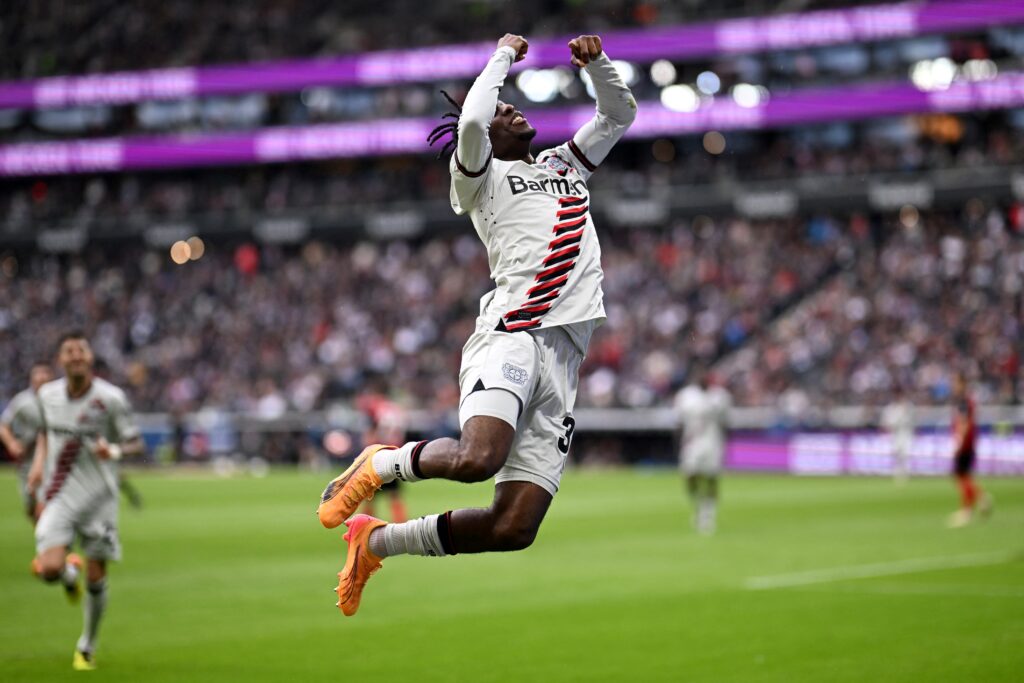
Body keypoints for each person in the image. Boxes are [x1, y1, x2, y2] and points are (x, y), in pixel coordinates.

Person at [316, 33, 636, 616]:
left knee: (514, 527)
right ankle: (380, 463)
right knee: (476, 460)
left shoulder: (565, 165)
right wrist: (501, 58)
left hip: (565, 358)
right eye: (502, 109)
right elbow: (470, 125)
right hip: (514, 334)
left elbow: (620, 112)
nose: (513, 108)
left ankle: (376, 542)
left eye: (512, 104)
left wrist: (598, 66)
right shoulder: (477, 180)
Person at [27, 331, 144, 670]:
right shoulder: (47, 396)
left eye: (81, 350)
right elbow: (44, 432)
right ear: (60, 359)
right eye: (69, 351)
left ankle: (87, 645)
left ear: (90, 357)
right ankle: (66, 574)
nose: (76, 356)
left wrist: (115, 450)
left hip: (99, 499)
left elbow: (135, 442)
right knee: (48, 569)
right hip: (59, 495)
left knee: (97, 572)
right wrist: (37, 465)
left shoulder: (110, 398)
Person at [674, 372, 731, 535]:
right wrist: (679, 443)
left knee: (712, 478)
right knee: (689, 476)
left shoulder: (720, 397)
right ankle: (699, 505)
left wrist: (726, 444)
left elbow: (725, 422)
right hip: (692, 443)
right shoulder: (686, 396)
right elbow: (679, 421)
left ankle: (708, 514)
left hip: (713, 443)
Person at [0, 361, 54, 521]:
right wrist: (11, 443)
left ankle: (53, 540)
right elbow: (3, 425)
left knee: (47, 506)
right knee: (30, 505)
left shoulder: (60, 400)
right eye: (39, 374)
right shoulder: (22, 402)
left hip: (53, 460)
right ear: (32, 378)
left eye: (46, 373)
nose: (42, 377)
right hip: (27, 461)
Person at [356, 391, 408, 523]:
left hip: (378, 456)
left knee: (370, 496)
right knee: (394, 495)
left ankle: (364, 526)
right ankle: (401, 525)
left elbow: (371, 435)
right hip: (394, 455)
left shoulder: (375, 409)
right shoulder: (394, 409)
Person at [947, 374, 992, 528]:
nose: (953, 386)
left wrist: (959, 442)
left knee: (961, 475)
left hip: (965, 443)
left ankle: (972, 505)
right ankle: (973, 504)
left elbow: (964, 423)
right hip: (969, 442)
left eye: (955, 382)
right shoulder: (967, 400)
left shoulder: (963, 401)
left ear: (962, 384)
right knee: (964, 475)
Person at [881, 386, 914, 484]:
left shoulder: (907, 406)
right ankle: (898, 473)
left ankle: (905, 473)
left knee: (905, 453)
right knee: (897, 453)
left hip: (905, 432)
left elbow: (912, 419)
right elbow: (886, 421)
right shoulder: (890, 408)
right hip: (895, 433)